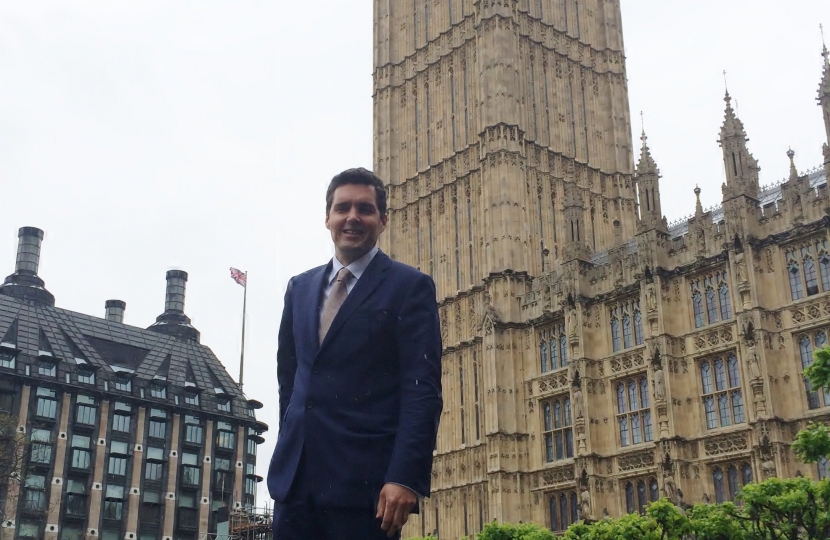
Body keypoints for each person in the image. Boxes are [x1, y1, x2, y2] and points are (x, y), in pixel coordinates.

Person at [267, 168, 443, 539]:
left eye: (364, 209)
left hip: (366, 490)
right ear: (327, 217)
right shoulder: (299, 288)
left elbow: (422, 391)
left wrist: (404, 477)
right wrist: (289, 444)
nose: (352, 217)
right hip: (295, 486)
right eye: (342, 208)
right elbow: (291, 380)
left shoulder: (409, 287)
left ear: (382, 220)